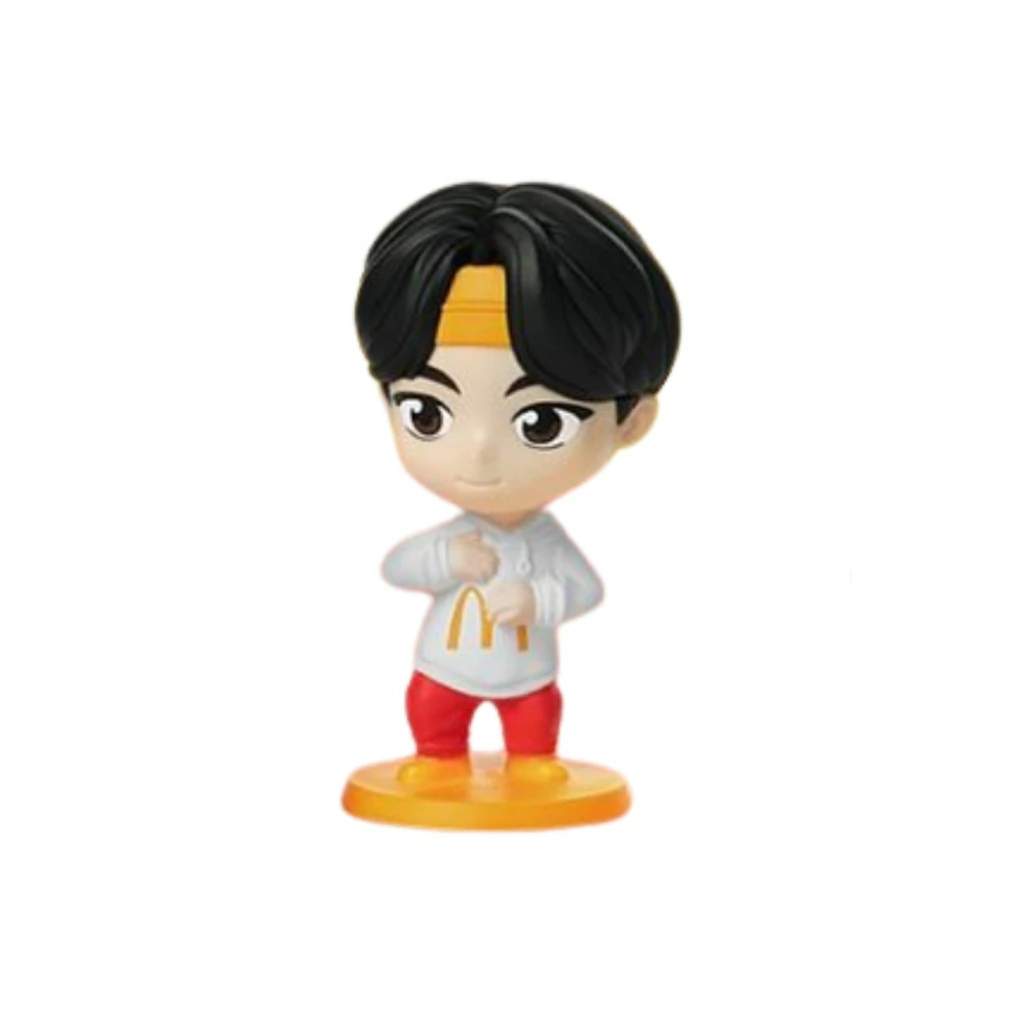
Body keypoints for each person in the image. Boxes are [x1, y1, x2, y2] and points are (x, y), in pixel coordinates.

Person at [354, 182, 680, 786]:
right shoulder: (455, 538)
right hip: (444, 666)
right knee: (432, 706)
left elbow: (585, 590)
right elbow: (397, 567)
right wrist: (445, 560)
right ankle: (435, 756)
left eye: (541, 423)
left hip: (527, 671)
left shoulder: (546, 542)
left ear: (631, 421)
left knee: (533, 714)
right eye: (427, 413)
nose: (480, 451)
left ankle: (532, 760)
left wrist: (537, 602)